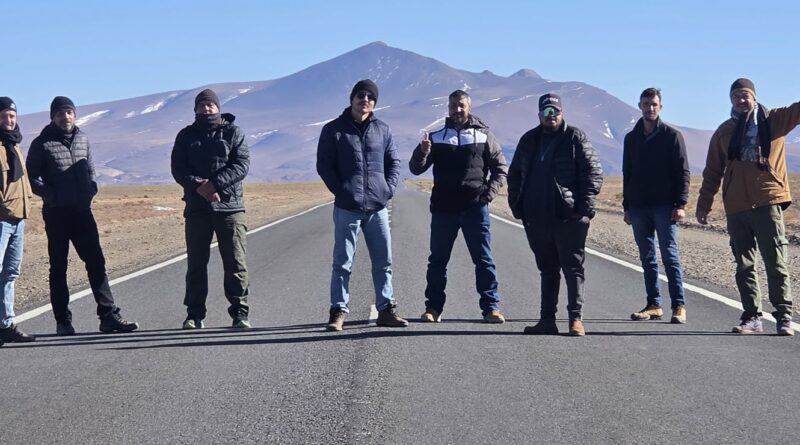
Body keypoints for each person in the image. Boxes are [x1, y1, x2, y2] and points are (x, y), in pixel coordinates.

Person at [26, 96, 139, 335]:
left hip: (82, 212)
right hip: (57, 214)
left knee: (97, 262)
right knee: (59, 267)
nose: (65, 117)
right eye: (60, 113)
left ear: (74, 115)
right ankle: (63, 321)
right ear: (53, 117)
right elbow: (32, 178)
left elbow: (90, 169)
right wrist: (53, 196)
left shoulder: (82, 139)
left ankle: (108, 316)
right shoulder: (42, 143)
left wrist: (91, 190)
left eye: (69, 112)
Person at [696, 78, 799, 336]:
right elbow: (712, 171)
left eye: (745, 95)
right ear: (731, 100)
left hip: (767, 200)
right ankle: (752, 316)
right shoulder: (724, 131)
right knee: (744, 265)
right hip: (736, 206)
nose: (741, 100)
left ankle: (784, 315)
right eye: (736, 96)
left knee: (775, 261)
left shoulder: (774, 120)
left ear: (754, 96)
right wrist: (704, 204)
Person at [507, 93, 603, 336]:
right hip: (537, 217)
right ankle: (547, 320)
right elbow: (515, 173)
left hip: (568, 217)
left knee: (572, 267)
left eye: (555, 111)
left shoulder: (574, 137)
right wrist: (517, 206)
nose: (551, 116)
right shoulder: (529, 139)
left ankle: (575, 319)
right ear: (539, 114)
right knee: (547, 269)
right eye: (546, 112)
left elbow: (593, 172)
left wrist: (583, 209)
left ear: (562, 113)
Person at [409, 89, 508, 323]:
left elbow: (500, 168)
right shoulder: (436, 137)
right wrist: (422, 152)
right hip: (444, 209)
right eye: (453, 106)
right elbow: (416, 168)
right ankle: (433, 308)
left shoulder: (484, 135)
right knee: (438, 261)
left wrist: (488, 194)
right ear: (448, 108)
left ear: (469, 107)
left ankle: (491, 308)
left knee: (483, 259)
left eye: (461, 105)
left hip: (475, 208)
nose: (458, 110)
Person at [316, 79, 408, 331]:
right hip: (347, 207)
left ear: (374, 102)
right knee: (342, 263)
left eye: (370, 96)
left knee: (383, 261)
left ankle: (386, 310)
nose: (365, 100)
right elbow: (324, 165)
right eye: (360, 95)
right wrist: (342, 191)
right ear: (352, 99)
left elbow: (394, 162)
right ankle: (338, 311)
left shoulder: (383, 129)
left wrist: (387, 189)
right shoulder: (333, 130)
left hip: (377, 207)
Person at [171, 89, 251, 329]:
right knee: (196, 264)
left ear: (218, 107)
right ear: (195, 109)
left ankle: (240, 312)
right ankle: (194, 314)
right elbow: (178, 169)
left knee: (235, 262)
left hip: (230, 208)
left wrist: (214, 185)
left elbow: (241, 165)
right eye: (202, 106)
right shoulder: (186, 135)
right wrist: (200, 186)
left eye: (210, 105)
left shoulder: (233, 132)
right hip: (197, 208)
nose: (206, 109)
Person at [623, 88, 690, 324]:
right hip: (639, 207)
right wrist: (627, 206)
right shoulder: (632, 138)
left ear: (660, 106)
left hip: (665, 206)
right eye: (646, 104)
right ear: (639, 106)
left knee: (669, 255)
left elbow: (683, 172)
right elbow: (627, 172)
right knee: (647, 257)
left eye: (654, 104)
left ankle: (678, 305)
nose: (650, 108)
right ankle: (654, 304)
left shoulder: (672, 136)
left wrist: (680, 204)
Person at [0, 97, 35, 345]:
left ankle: (6, 324)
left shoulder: (14, 145)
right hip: (1, 219)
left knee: (10, 273)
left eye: (11, 116)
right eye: (3, 116)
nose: (8, 120)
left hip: (18, 219)